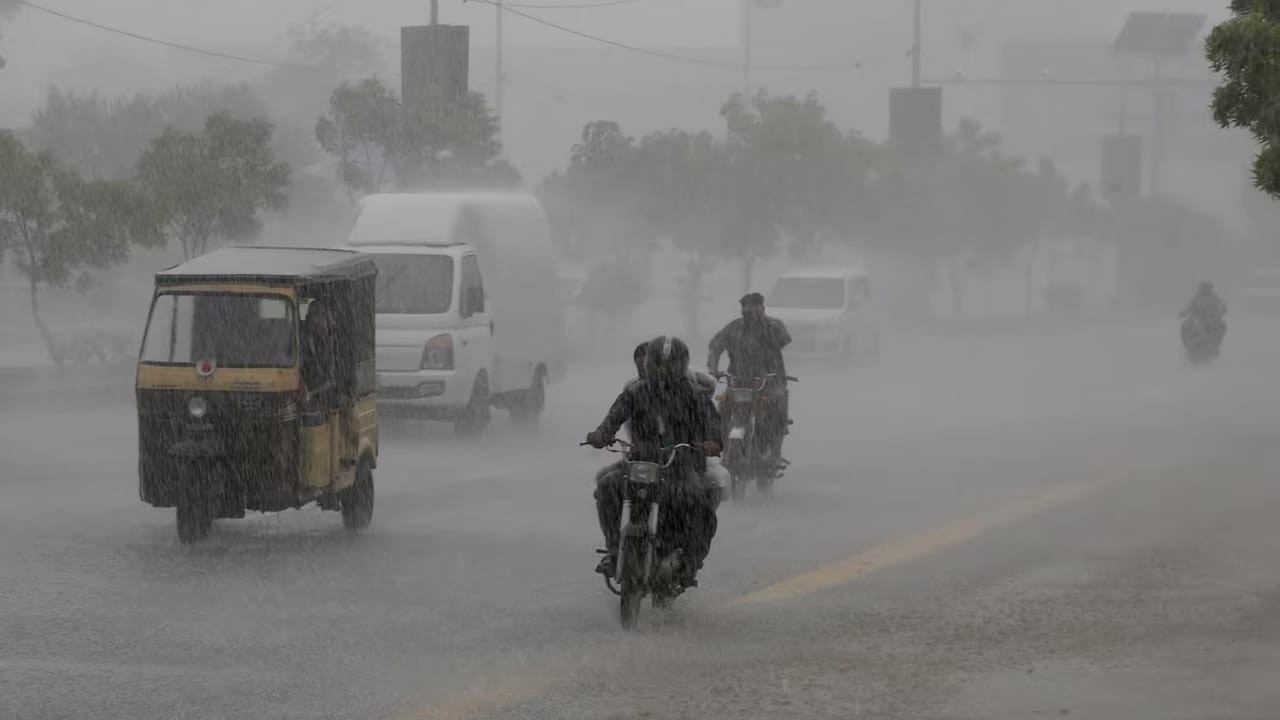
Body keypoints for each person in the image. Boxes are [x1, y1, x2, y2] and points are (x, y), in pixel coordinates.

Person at [586, 336, 723, 585]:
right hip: (640, 462)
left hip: (680, 464)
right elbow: (614, 416)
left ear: (681, 365)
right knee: (607, 487)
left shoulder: (694, 396)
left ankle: (689, 560)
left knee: (699, 503)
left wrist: (712, 441)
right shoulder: (634, 393)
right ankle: (615, 549)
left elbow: (712, 421)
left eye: (669, 365)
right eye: (659, 364)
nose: (663, 370)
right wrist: (601, 434)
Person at [707, 292, 792, 452]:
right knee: (723, 408)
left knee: (772, 413)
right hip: (738, 382)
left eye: (754, 307)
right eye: (746, 307)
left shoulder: (773, 326)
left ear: (763, 308)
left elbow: (783, 339)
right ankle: (720, 446)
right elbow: (715, 346)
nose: (749, 311)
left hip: (768, 382)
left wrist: (761, 327)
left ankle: (769, 451)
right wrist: (713, 369)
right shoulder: (734, 328)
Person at [1180, 281, 1227, 349]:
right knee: (1184, 326)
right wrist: (1183, 312)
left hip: (1212, 319)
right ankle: (1188, 345)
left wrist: (1221, 311)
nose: (1205, 289)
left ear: (1210, 288)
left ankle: (1217, 344)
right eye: (1203, 288)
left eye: (1207, 288)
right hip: (1197, 319)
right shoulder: (1196, 297)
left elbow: (1222, 305)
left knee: (1222, 326)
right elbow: (1189, 306)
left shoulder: (1215, 297)